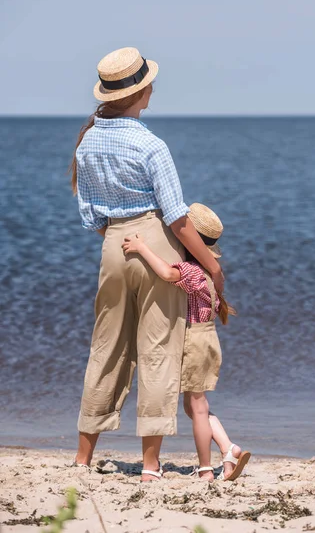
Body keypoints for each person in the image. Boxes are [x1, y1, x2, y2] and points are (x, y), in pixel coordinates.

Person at [69, 47, 224, 482]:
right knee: (157, 350)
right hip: (155, 237)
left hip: (114, 244)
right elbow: (176, 215)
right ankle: (151, 467)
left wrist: (122, 238)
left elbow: (92, 217)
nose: (153, 88)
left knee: (106, 348)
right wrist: (211, 265)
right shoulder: (150, 143)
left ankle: (82, 458)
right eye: (148, 83)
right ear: (140, 93)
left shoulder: (88, 141)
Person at [122, 203, 251, 481]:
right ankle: (229, 449)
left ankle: (206, 469)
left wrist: (142, 247)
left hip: (192, 340)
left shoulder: (192, 271)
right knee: (195, 406)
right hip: (207, 340)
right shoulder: (212, 276)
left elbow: (168, 274)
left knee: (197, 406)